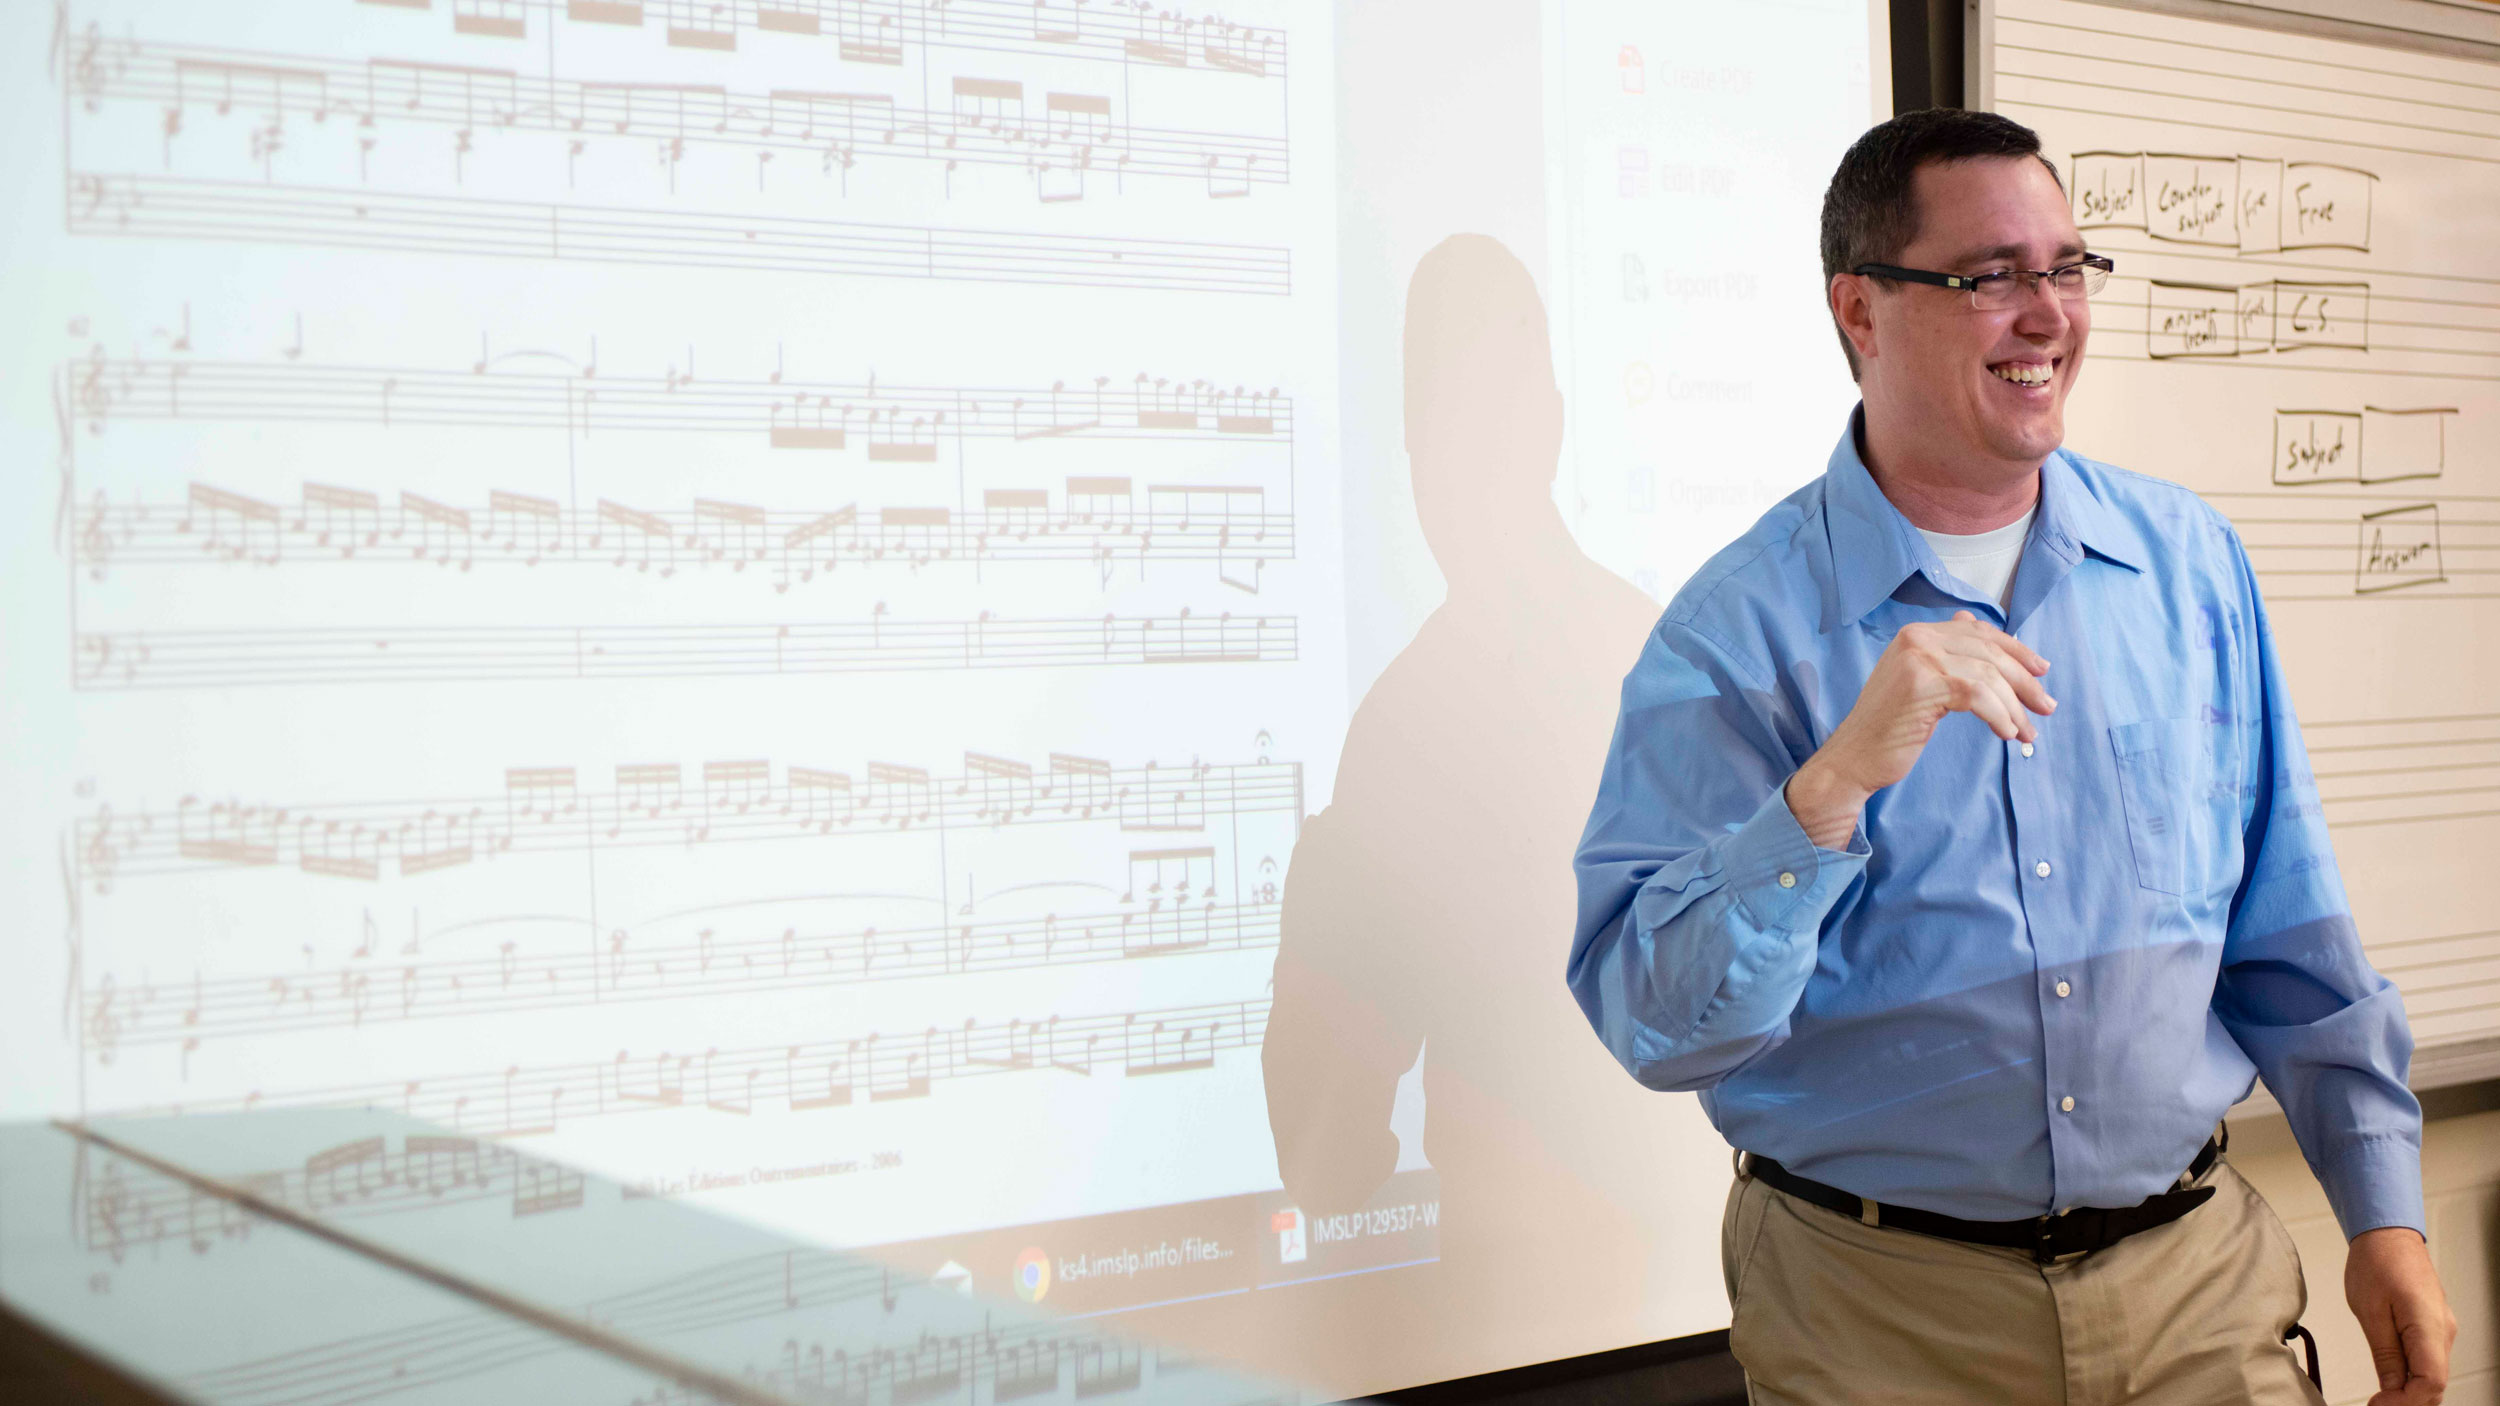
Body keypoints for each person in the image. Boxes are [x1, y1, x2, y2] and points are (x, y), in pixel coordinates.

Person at [1566, 108, 2457, 1405]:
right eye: (1991, 277)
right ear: (1860, 313)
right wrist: (1830, 790)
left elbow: (2293, 944)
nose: (2047, 314)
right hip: (1883, 1321)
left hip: (2197, 1294)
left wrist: (2386, 1217)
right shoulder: (1732, 636)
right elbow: (1654, 1016)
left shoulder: (2190, 567)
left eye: (2065, 267)